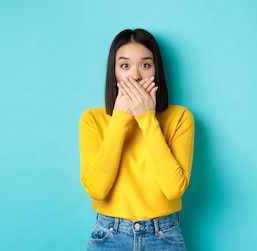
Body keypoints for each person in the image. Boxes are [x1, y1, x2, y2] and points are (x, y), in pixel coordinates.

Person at [79, 29, 194, 251]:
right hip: (109, 235)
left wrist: (147, 119)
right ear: (114, 72)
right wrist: (121, 118)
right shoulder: (92, 119)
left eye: (145, 65)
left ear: (156, 71)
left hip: (163, 235)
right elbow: (96, 189)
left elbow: (173, 189)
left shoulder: (180, 118)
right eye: (125, 66)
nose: (135, 75)